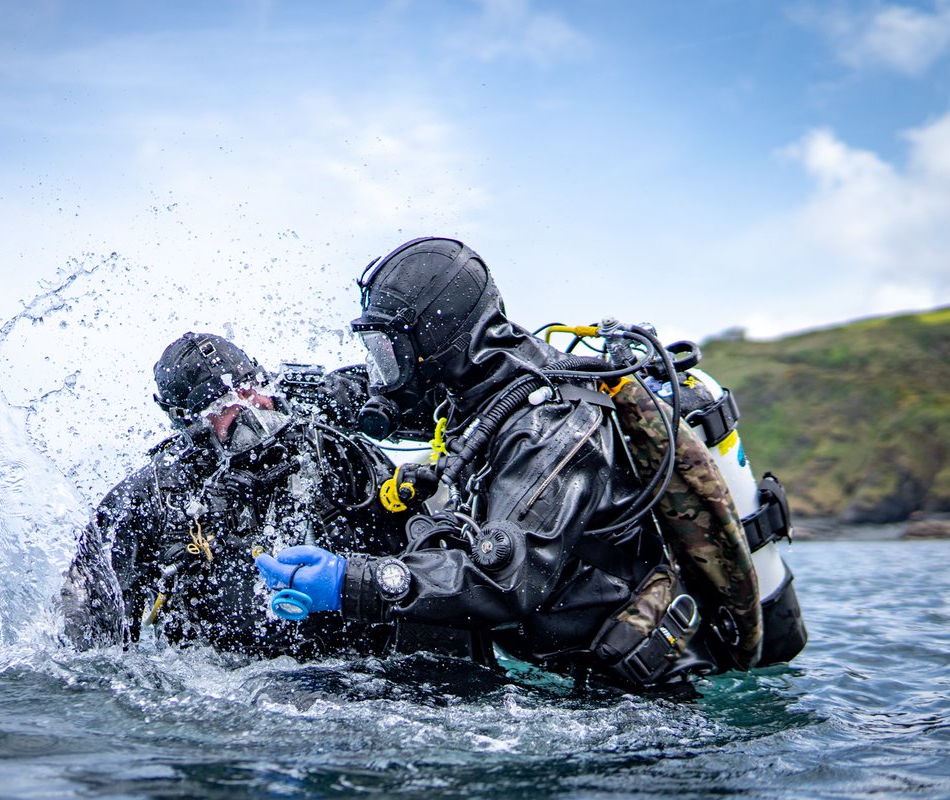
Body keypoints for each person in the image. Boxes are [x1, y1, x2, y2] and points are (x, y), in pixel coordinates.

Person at [256, 237, 806, 689]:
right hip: (562, 671)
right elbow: (379, 399)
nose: (385, 373)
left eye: (390, 351)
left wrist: (345, 580)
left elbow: (504, 578)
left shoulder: (553, 422)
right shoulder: (477, 392)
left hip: (638, 696)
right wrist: (267, 393)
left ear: (437, 340)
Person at [59, 332, 417, 659]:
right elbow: (89, 644)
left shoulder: (330, 451)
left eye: (250, 388)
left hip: (367, 666)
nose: (249, 409)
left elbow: (422, 566)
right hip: (230, 685)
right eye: (223, 405)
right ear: (190, 424)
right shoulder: (151, 499)